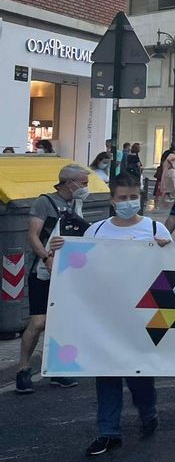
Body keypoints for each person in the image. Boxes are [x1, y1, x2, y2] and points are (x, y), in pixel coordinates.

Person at [72, 172, 173, 455]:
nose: (128, 202)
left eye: (133, 197)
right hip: (105, 318)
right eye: (122, 198)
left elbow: (172, 274)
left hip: (142, 318)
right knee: (106, 375)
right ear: (112, 199)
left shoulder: (155, 230)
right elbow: (81, 270)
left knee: (139, 375)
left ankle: (148, 411)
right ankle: (108, 431)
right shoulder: (95, 231)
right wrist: (61, 251)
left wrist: (167, 253)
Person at [13, 164, 91, 394]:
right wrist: (46, 257)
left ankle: (57, 370)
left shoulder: (76, 203)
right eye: (83, 183)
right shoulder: (44, 202)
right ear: (69, 183)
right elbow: (33, 235)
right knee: (39, 322)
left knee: (62, 321)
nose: (86, 188)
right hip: (44, 271)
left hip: (68, 271)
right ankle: (23, 368)